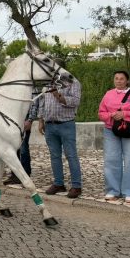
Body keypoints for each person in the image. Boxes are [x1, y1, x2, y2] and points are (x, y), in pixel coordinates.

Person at [98, 70, 130, 204]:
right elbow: (101, 113)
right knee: (111, 160)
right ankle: (113, 190)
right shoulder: (108, 94)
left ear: (127, 81)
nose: (119, 81)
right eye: (116, 78)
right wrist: (111, 115)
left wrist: (124, 114)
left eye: (121, 79)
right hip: (111, 130)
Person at [37, 67, 83, 198]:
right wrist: (40, 120)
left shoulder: (73, 82)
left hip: (66, 124)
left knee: (71, 155)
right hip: (50, 125)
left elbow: (75, 101)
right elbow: (42, 102)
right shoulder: (48, 83)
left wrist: (58, 96)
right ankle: (58, 183)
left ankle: (76, 186)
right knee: (54, 156)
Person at [3, 90, 38, 185]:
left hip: (24, 121)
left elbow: (34, 104)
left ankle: (25, 174)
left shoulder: (31, 88)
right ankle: (15, 175)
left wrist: (30, 120)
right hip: (13, 121)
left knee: (23, 149)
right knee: (14, 149)